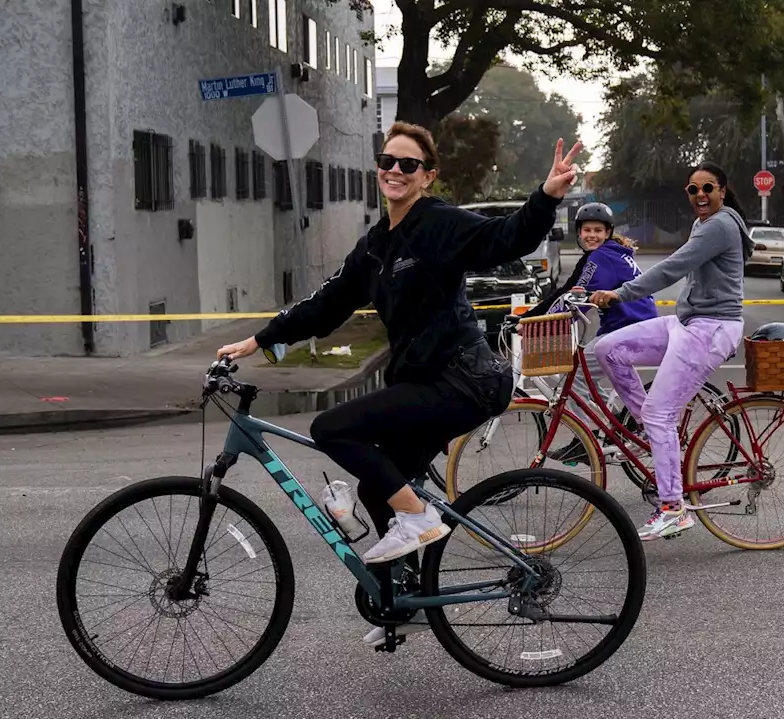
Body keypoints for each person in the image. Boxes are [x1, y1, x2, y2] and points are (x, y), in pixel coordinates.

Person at [216, 122, 582, 642]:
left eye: (408, 165)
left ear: (427, 176)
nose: (394, 171)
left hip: (463, 379)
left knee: (332, 428)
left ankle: (417, 521)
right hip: (430, 381)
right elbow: (328, 304)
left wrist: (545, 197)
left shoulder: (438, 224)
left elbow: (506, 238)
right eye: (387, 161)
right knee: (378, 486)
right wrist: (262, 339)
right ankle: (403, 597)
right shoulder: (376, 245)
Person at [589, 161, 752, 540]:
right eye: (693, 190)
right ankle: (649, 432)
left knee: (660, 412)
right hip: (689, 324)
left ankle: (673, 508)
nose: (700, 196)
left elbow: (672, 268)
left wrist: (621, 293)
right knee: (608, 348)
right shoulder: (703, 224)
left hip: (712, 329)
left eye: (707, 188)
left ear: (722, 191)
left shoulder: (722, 225)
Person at [520, 202, 658, 463]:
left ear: (607, 232)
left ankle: (592, 436)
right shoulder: (608, 253)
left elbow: (574, 297)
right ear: (579, 233)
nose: (592, 235)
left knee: (574, 373)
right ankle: (616, 423)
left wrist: (533, 324)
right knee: (581, 372)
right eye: (586, 230)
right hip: (632, 328)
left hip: (629, 330)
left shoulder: (601, 257)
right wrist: (530, 317)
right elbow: (567, 291)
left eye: (598, 230)